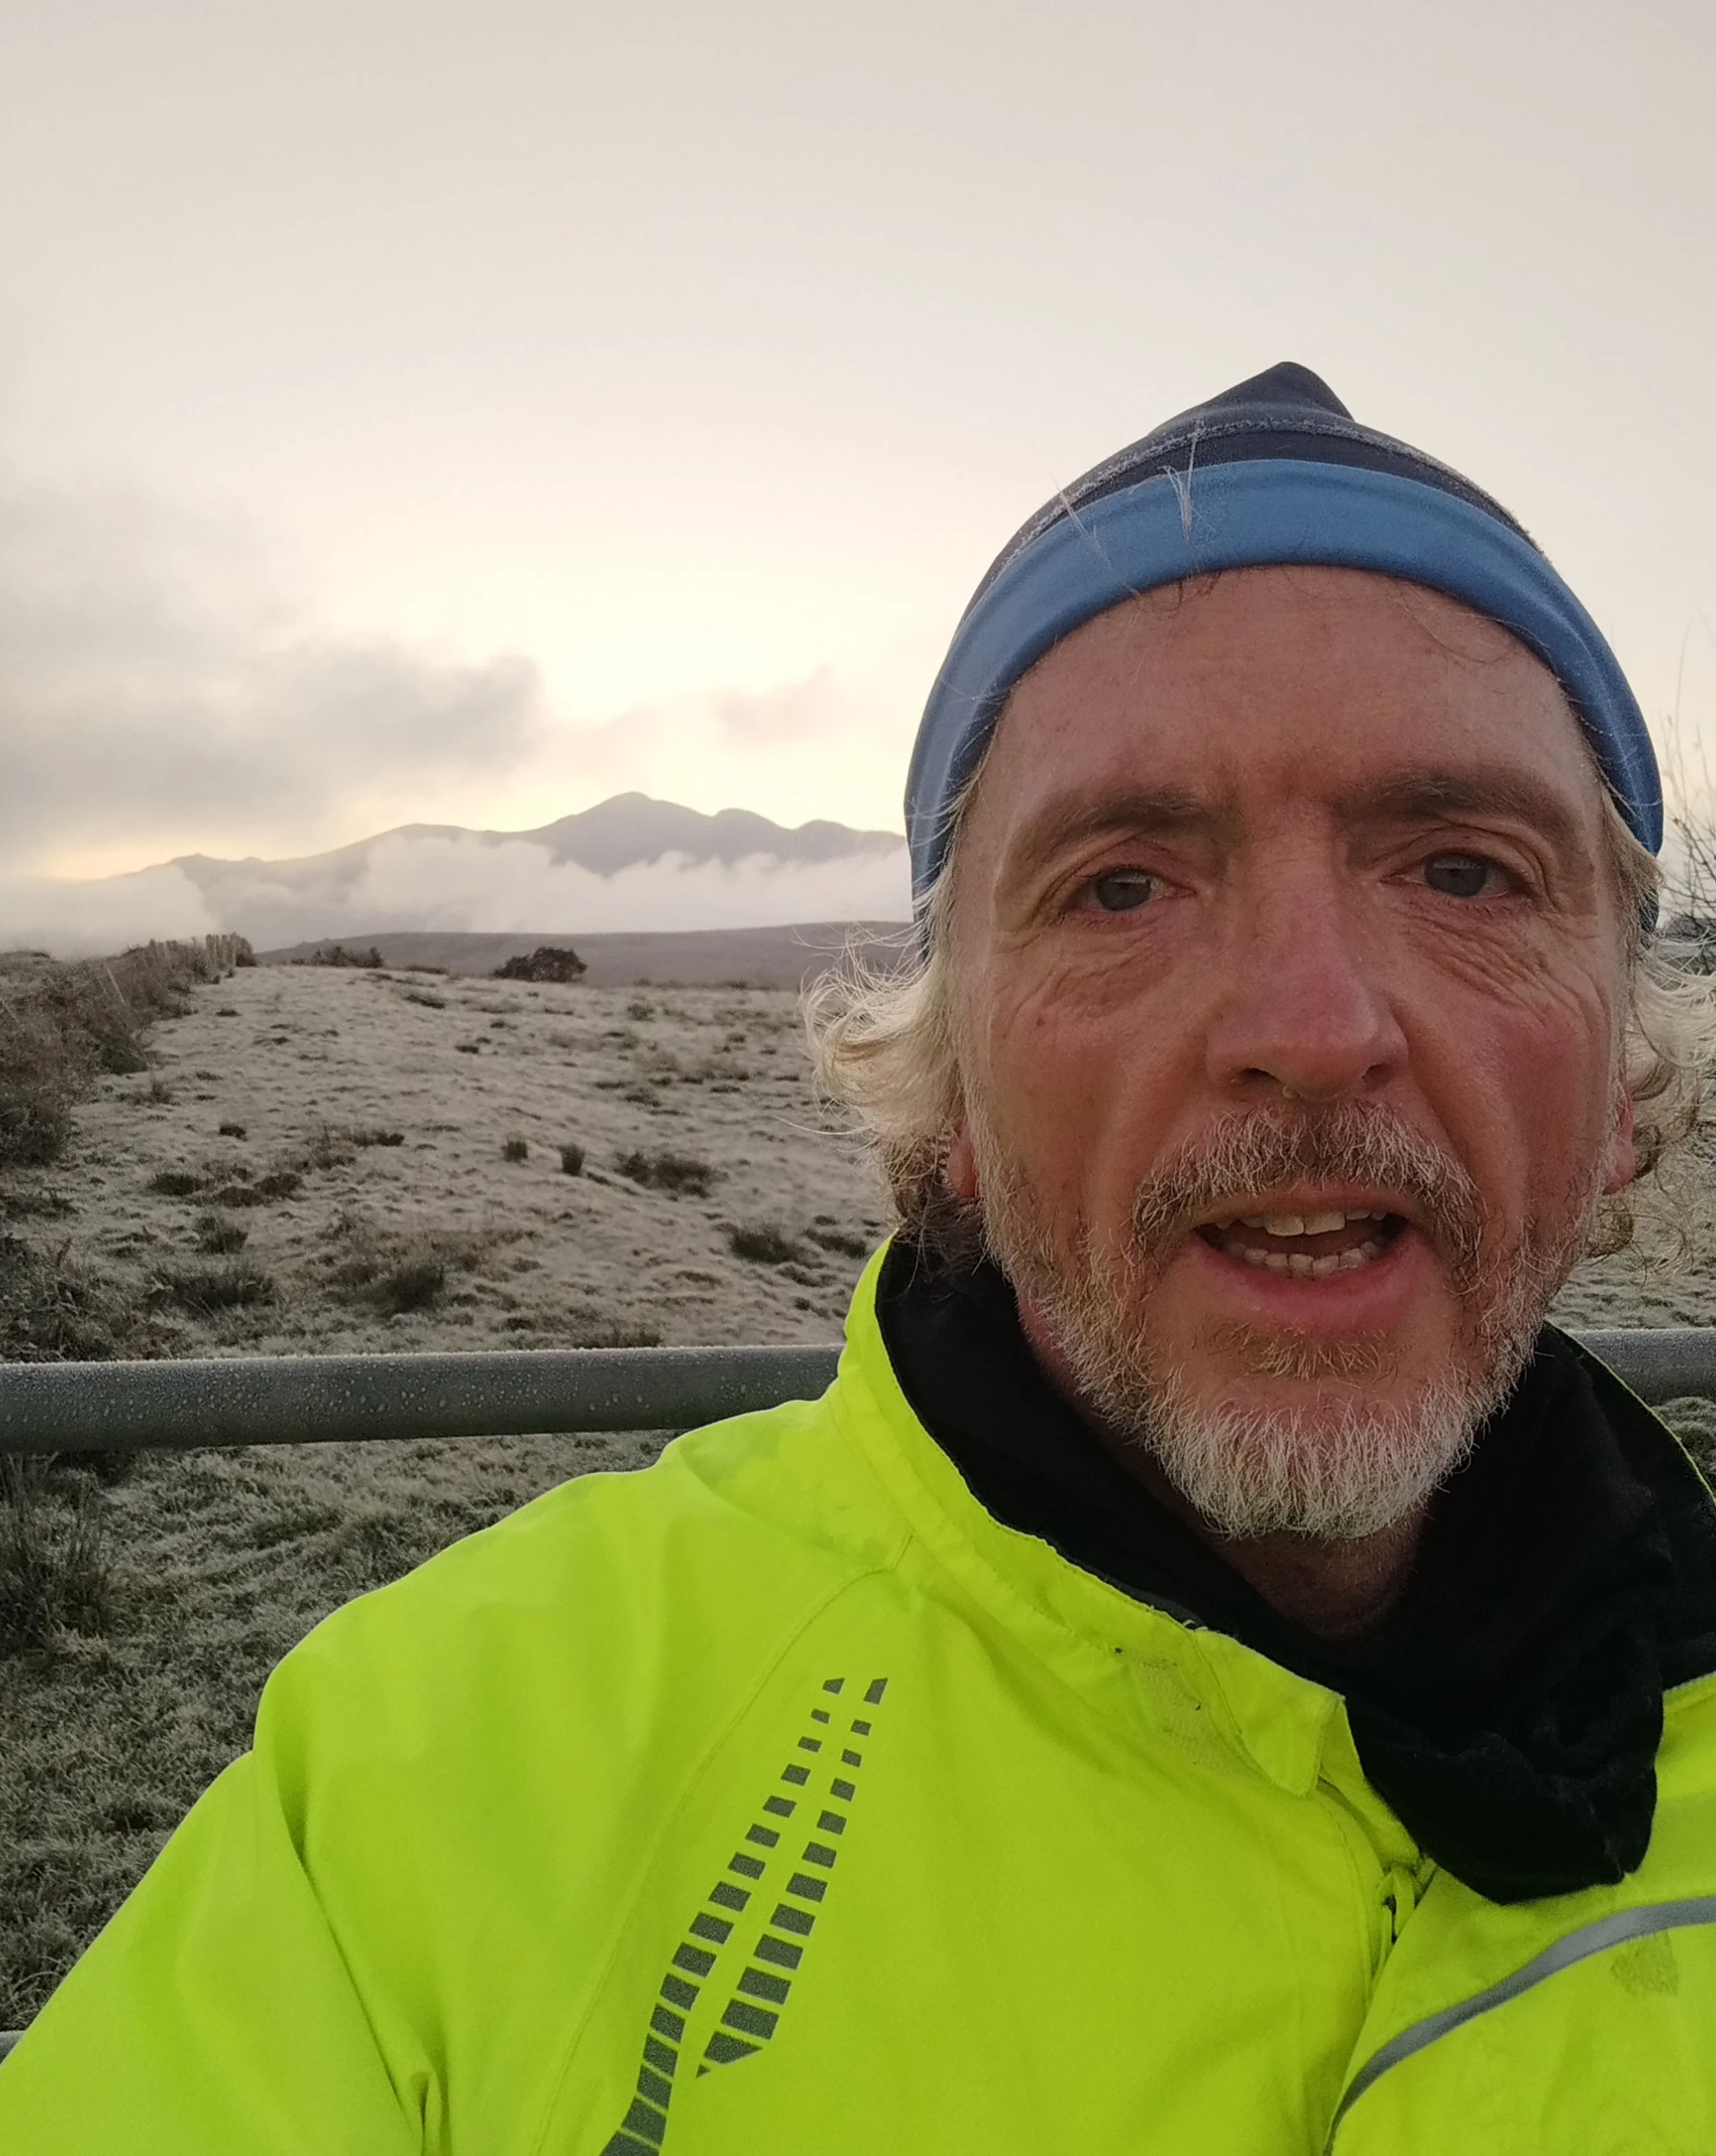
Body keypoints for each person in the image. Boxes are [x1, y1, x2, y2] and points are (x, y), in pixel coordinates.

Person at [5, 363, 1716, 2153]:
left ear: (1625, 1077)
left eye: (1462, 872)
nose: (1308, 1026)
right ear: (951, 1098)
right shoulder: (428, 1796)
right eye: (1122, 885)